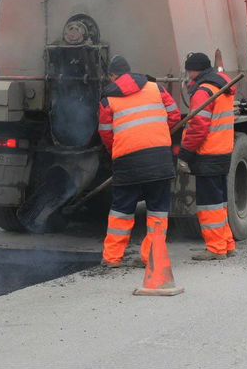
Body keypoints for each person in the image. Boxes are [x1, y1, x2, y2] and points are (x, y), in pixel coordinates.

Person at [97, 56, 182, 268]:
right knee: (157, 211)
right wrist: (161, 135)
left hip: (127, 162)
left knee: (121, 211)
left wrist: (115, 150)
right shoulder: (156, 88)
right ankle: (153, 256)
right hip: (160, 160)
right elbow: (175, 115)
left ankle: (112, 258)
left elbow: (106, 133)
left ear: (113, 76)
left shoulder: (107, 99)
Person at [178, 52, 237, 261]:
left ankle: (215, 248)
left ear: (194, 70)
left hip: (207, 153)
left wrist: (185, 153)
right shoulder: (221, 87)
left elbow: (198, 127)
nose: (187, 75)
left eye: (188, 70)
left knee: (209, 204)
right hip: (223, 150)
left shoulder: (203, 91)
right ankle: (226, 243)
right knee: (220, 202)